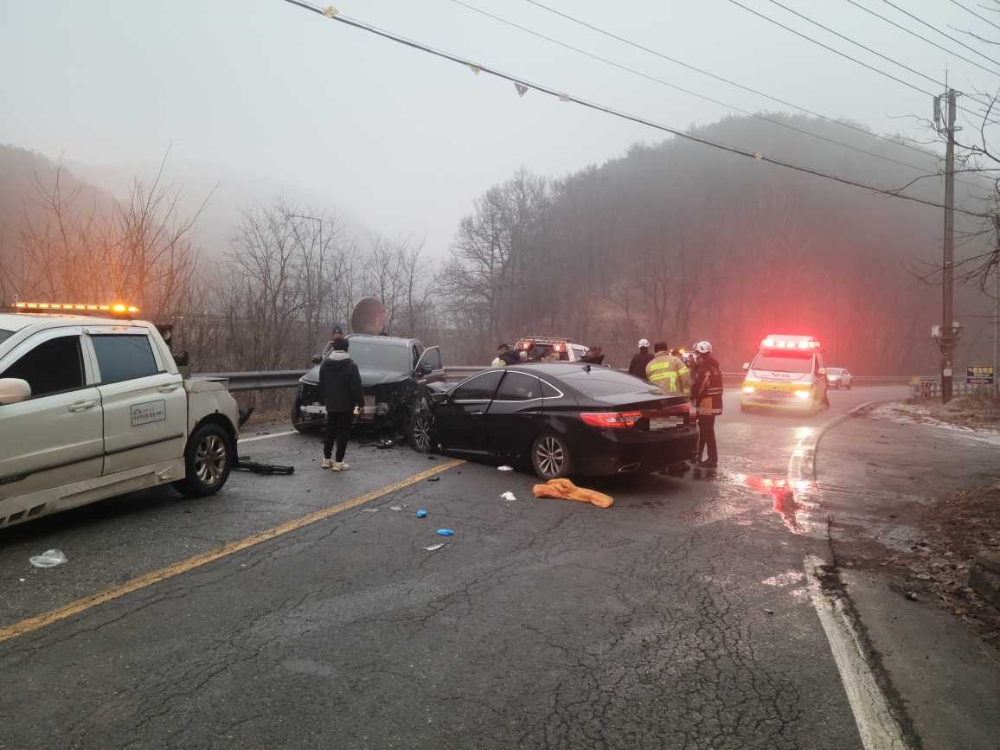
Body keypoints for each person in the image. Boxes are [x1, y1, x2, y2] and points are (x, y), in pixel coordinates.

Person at [319, 338, 364, 471]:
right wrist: (360, 403)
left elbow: (322, 383)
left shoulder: (325, 364)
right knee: (343, 433)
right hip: (346, 405)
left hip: (331, 403)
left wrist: (325, 399)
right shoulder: (351, 366)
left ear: (333, 348)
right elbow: (356, 386)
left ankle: (326, 460)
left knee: (330, 431)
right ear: (347, 348)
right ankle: (339, 462)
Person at [690, 340, 723, 469]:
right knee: (708, 431)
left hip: (707, 404)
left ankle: (711, 460)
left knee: (707, 432)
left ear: (700, 353)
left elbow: (698, 389)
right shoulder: (714, 366)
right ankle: (707, 458)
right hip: (714, 403)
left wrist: (691, 397)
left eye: (697, 353)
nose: (696, 355)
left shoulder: (704, 369)